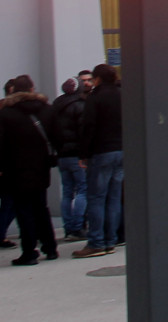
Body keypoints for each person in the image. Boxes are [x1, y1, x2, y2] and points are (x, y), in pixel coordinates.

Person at [0, 74, 59, 266]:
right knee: (41, 208)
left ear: (13, 91)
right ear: (32, 88)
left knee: (24, 210)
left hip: (16, 169)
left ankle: (29, 252)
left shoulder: (6, 113)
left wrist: (0, 167)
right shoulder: (46, 109)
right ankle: (50, 247)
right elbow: (57, 136)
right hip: (40, 167)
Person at [73, 63, 124, 258]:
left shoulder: (95, 98)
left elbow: (88, 126)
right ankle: (110, 240)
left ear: (98, 79)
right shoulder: (122, 95)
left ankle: (96, 241)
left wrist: (83, 153)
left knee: (96, 197)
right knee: (114, 196)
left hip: (101, 151)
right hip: (121, 149)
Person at [52, 77, 87, 241]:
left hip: (62, 154)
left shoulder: (56, 106)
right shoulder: (80, 105)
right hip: (76, 154)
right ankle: (78, 226)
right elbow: (83, 132)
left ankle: (67, 226)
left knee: (67, 192)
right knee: (83, 189)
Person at [0, 77, 18, 249]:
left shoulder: (1, 112)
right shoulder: (4, 112)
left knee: (10, 203)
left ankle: (1, 233)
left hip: (6, 165)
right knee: (9, 202)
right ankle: (1, 234)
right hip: (7, 165)